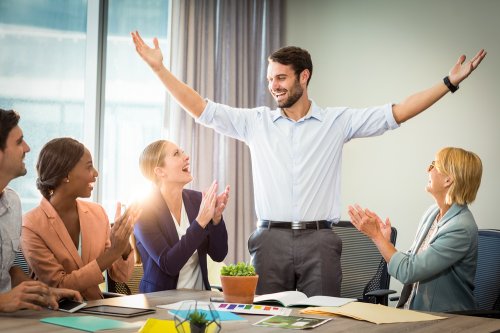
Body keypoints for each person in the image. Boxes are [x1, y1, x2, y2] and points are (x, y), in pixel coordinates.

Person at [131, 30, 486, 297]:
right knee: (265, 322)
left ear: (304, 76)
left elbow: (399, 111)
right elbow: (200, 107)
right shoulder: (256, 123)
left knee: (326, 323)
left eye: (281, 78)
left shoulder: (336, 122)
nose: (274, 86)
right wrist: (160, 70)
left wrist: (448, 83)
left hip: (320, 241)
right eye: (270, 79)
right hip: (269, 241)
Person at [348, 147, 482, 312]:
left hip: (445, 319)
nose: (428, 169)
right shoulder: (432, 213)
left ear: (448, 180)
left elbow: (409, 271)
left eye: (435, 164)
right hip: (413, 312)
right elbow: (412, 261)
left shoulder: (460, 228)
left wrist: (377, 237)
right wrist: (386, 241)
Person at [22, 137, 139, 300]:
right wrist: (113, 252)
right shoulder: (31, 224)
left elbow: (121, 276)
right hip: (52, 314)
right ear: (65, 175)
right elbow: (60, 286)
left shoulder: (98, 213)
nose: (96, 173)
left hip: (95, 310)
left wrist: (123, 242)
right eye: (89, 167)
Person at [0, 109, 82, 312]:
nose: (27, 148)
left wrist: (42, 291)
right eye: (19, 142)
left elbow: (8, 268)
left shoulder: (12, 202)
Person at [134, 140, 228, 292]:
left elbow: (219, 254)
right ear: (160, 171)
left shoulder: (197, 200)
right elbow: (168, 264)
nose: (186, 157)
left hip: (201, 301)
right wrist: (200, 222)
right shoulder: (143, 212)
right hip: (161, 303)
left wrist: (216, 220)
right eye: (176, 154)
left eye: (182, 152)